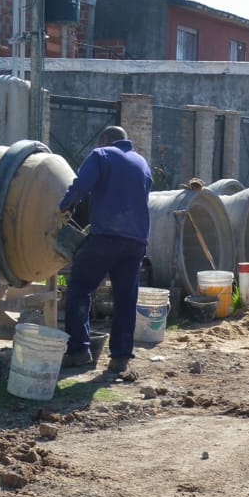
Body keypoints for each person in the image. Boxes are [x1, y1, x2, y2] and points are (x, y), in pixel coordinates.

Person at [57, 125, 152, 380]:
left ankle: (79, 350)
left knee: (79, 286)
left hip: (106, 236)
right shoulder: (142, 163)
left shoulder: (101, 154)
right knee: (125, 297)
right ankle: (120, 358)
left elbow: (80, 186)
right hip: (136, 241)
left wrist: (64, 206)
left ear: (105, 140)